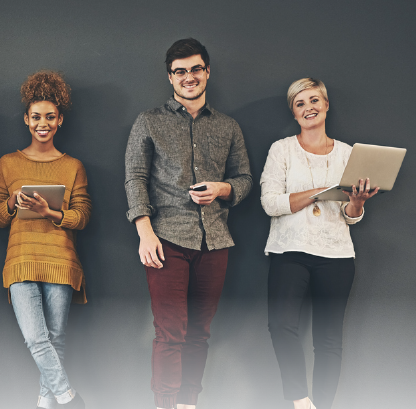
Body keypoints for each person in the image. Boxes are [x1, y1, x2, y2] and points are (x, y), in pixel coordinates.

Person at [124, 38, 252, 409]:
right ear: (170, 77)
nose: (188, 77)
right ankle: (165, 404)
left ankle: (188, 404)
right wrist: (144, 232)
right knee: (170, 333)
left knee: (199, 333)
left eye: (195, 69)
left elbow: (244, 179)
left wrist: (223, 189)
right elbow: (134, 177)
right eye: (180, 72)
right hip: (166, 240)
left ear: (207, 71)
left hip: (215, 242)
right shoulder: (149, 121)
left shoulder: (228, 127)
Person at [260, 78, 377, 409]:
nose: (308, 107)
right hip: (289, 252)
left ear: (326, 106)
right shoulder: (281, 149)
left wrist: (358, 201)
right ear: (294, 113)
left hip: (336, 255)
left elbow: (350, 216)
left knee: (329, 340)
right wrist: (321, 191)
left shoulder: (348, 154)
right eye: (300, 103)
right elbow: (271, 203)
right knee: (281, 325)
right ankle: (301, 400)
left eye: (314, 100)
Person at [0, 71, 90, 409]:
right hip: (20, 260)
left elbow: (82, 217)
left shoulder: (73, 166)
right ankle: (67, 397)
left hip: (61, 260)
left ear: (60, 120)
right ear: (26, 119)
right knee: (37, 338)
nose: (42, 123)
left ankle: (47, 404)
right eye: (36, 117)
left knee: (56, 339)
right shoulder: (8, 163)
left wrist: (50, 212)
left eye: (50, 116)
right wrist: (11, 202)